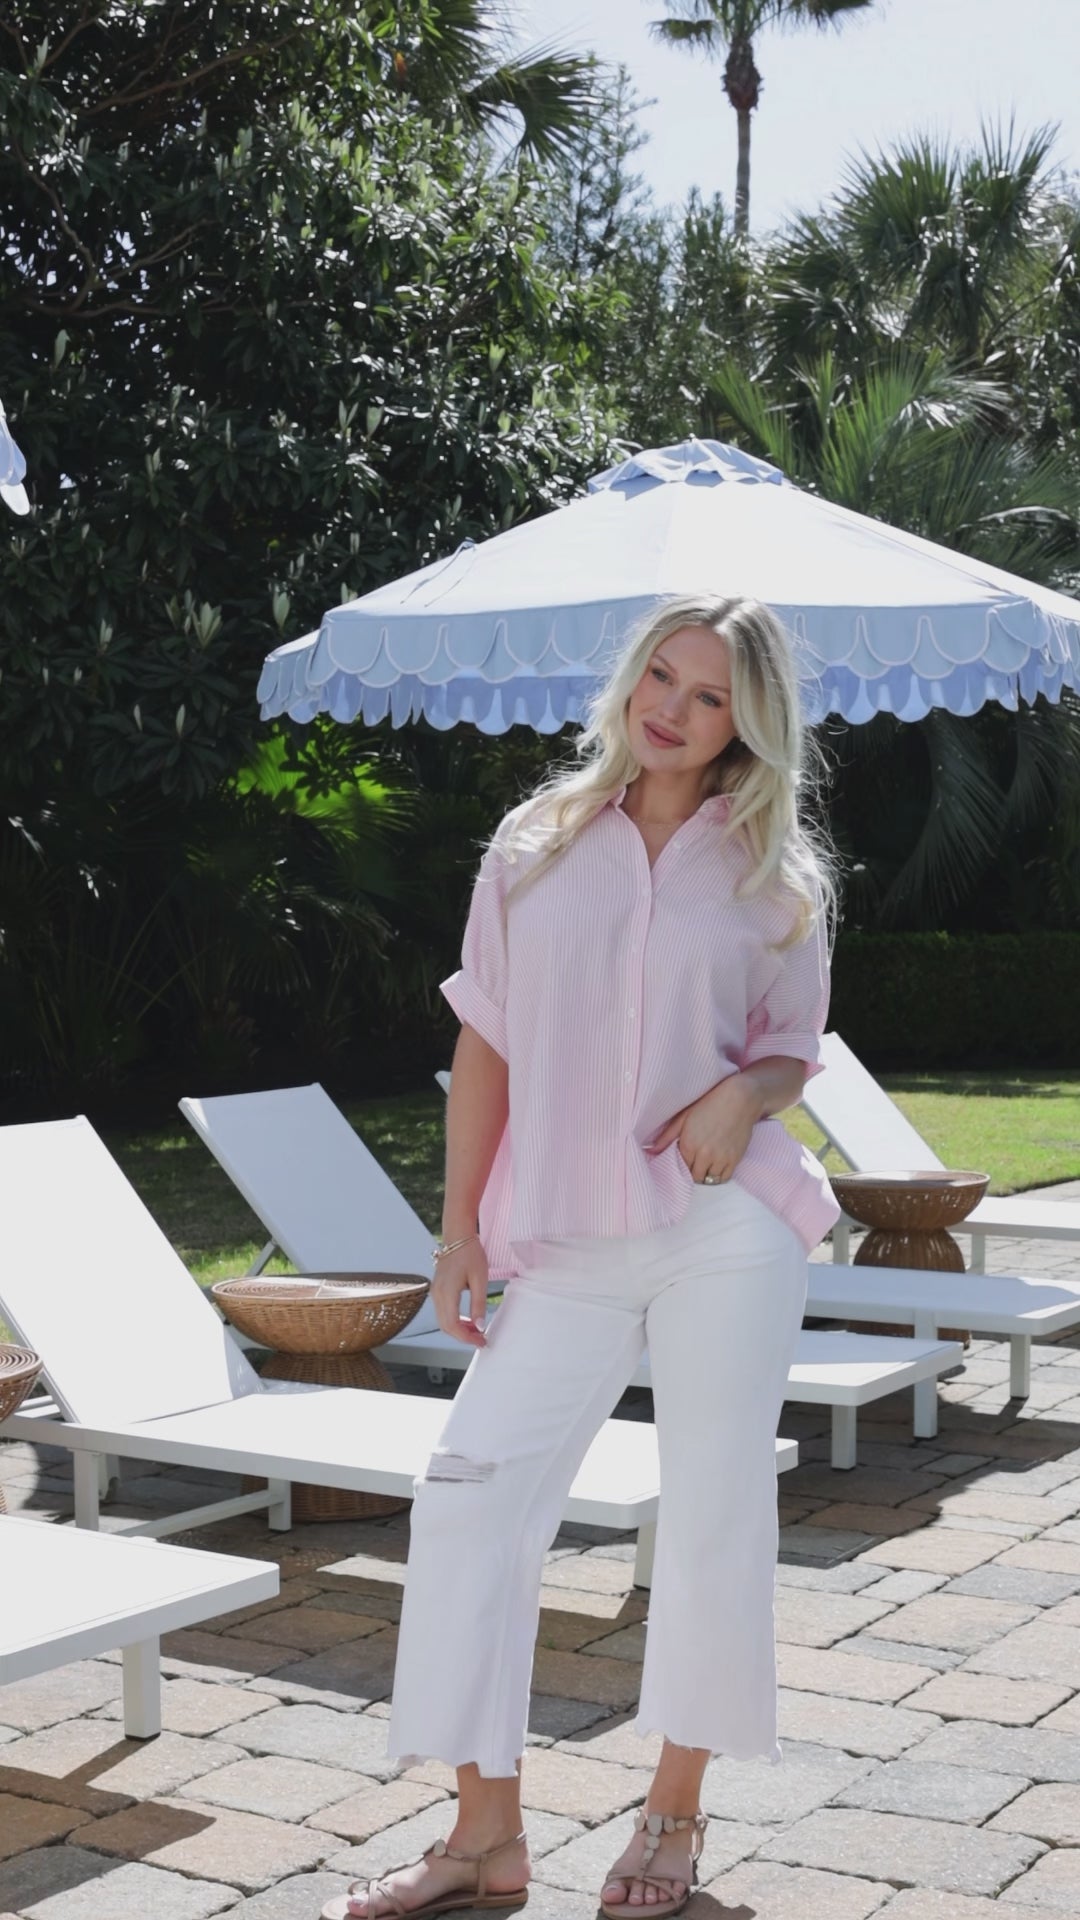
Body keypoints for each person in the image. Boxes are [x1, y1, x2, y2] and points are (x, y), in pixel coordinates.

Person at [321, 593, 840, 1920]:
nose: (672, 710)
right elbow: (485, 1042)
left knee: (713, 1507)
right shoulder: (536, 840)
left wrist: (747, 1093)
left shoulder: (774, 873)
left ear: (748, 722)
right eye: (661, 676)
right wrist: (459, 1232)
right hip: (566, 1237)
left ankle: (671, 1819)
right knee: (469, 1497)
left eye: (710, 696)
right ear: (630, 679)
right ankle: (483, 1836)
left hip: (722, 1226)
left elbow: (791, 1047)